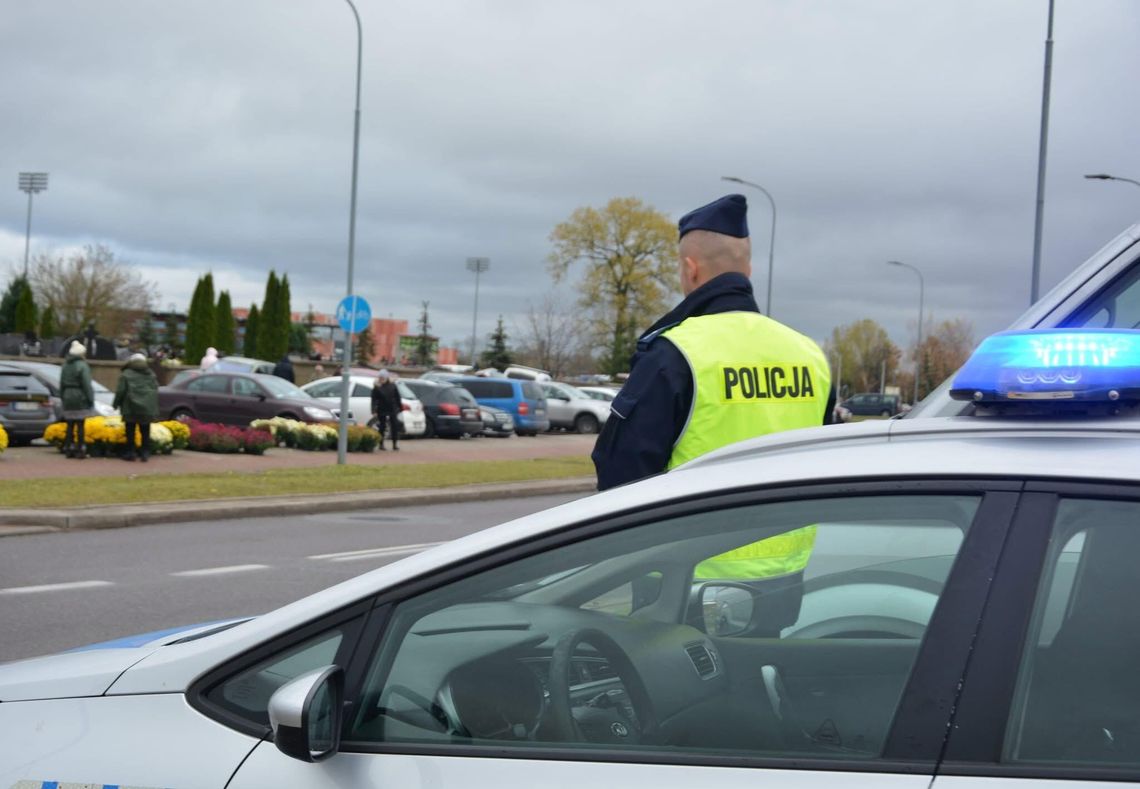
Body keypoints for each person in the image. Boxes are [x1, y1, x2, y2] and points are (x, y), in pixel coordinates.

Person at [591, 194, 834, 617]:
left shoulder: (676, 353)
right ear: (748, 269)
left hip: (684, 586)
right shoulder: (809, 355)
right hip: (783, 582)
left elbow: (620, 475)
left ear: (690, 269)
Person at [114, 352, 159, 462]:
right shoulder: (151, 374)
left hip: (130, 406)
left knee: (130, 430)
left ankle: (130, 453)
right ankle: (145, 453)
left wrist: (115, 404)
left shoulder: (126, 374)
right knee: (145, 430)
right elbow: (155, 389)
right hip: (147, 407)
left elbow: (120, 391)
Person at [59, 340, 96, 459]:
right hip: (79, 396)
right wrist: (90, 399)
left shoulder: (65, 365)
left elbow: (61, 384)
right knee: (80, 424)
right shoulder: (82, 366)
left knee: (70, 424)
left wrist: (62, 396)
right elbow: (86, 384)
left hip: (68, 395)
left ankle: (68, 447)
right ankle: (81, 448)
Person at [371, 370, 401, 451]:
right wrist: (373, 410)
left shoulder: (393, 385)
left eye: (383, 378)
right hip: (382, 408)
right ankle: (381, 444)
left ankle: (395, 444)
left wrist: (399, 408)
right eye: (380, 378)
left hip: (392, 408)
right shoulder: (377, 387)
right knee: (382, 426)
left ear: (387, 378)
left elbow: (398, 397)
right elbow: (373, 399)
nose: (381, 379)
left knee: (394, 426)